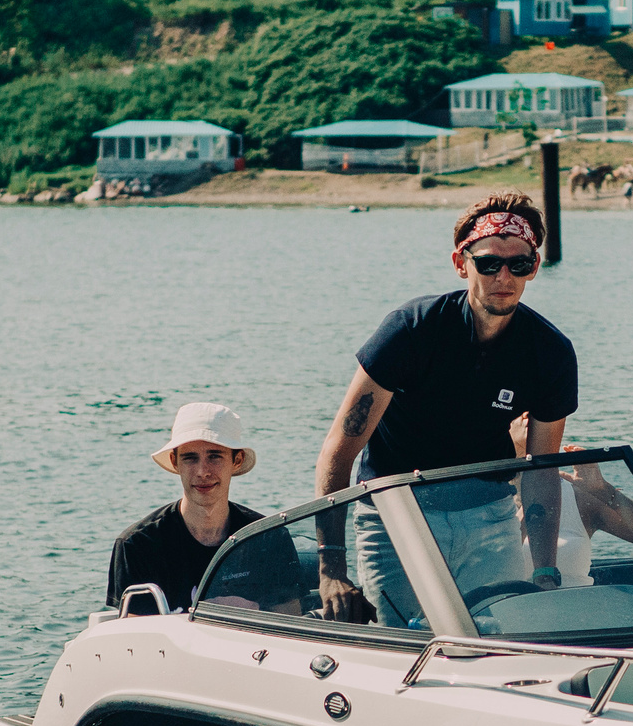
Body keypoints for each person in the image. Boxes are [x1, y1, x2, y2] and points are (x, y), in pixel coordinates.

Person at [314, 194, 576, 625]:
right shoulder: (410, 330)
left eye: (520, 264)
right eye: (489, 263)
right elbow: (339, 450)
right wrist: (331, 570)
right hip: (396, 516)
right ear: (461, 263)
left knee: (504, 642)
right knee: (405, 648)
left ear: (535, 266)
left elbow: (541, 469)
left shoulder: (551, 352)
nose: (504, 276)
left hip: (490, 516)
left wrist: (546, 569)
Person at [107, 402, 299, 615]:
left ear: (237, 460)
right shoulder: (138, 546)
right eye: (190, 458)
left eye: (215, 456)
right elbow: (136, 642)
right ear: (175, 461)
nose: (202, 471)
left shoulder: (268, 538)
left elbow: (289, 623)